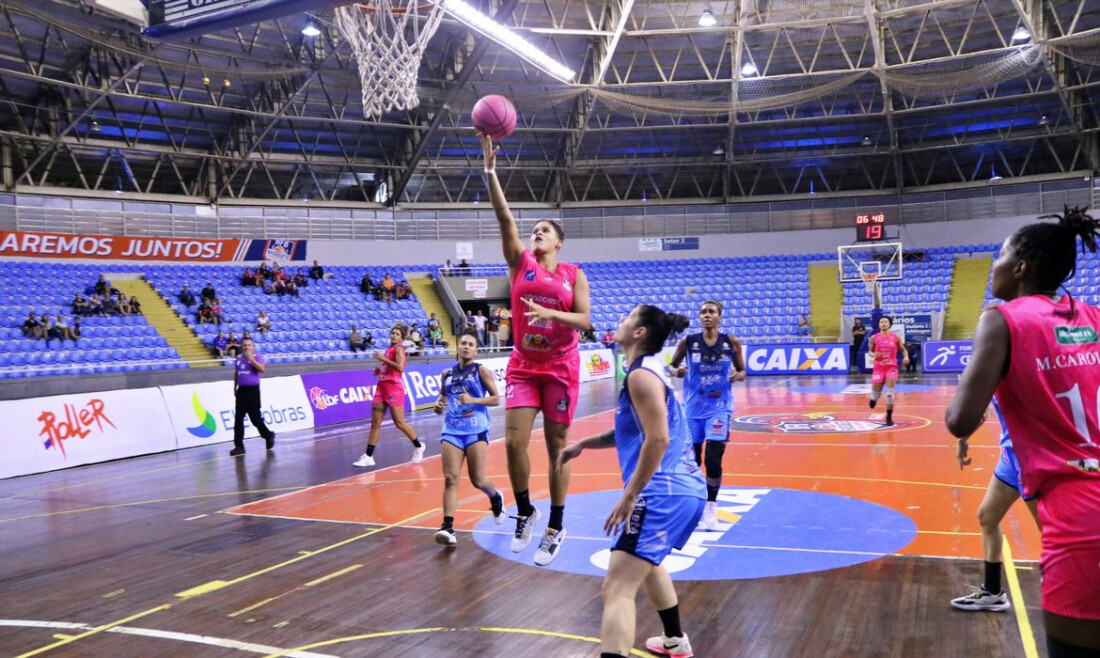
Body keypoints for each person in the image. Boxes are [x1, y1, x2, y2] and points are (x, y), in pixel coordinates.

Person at [946, 207, 1100, 657]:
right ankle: (993, 587)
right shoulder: (1091, 316)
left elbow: (959, 418)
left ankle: (997, 587)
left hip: (1078, 511)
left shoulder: (1001, 319)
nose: (993, 265)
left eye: (1000, 255)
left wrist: (970, 386)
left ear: (1020, 268)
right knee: (988, 515)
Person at [557, 304, 704, 658]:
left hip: (662, 490)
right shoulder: (646, 371)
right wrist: (584, 444)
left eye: (628, 318)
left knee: (617, 588)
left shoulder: (641, 377)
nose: (620, 320)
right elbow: (633, 431)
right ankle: (674, 639)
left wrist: (630, 495)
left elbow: (659, 439)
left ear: (639, 333)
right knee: (646, 562)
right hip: (683, 488)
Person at [481, 131, 592, 566]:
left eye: (544, 230)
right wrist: (491, 172)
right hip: (525, 365)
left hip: (561, 366)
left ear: (558, 241)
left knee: (557, 446)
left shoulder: (573, 274)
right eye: (534, 231)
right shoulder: (521, 263)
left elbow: (585, 320)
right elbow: (504, 218)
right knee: (513, 443)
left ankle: (556, 525)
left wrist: (552, 315)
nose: (536, 233)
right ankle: (525, 511)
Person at [951, 397, 1040, 613]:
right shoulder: (993, 377)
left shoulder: (1022, 376)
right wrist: (963, 438)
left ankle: (1085, 595)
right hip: (1010, 455)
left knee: (1053, 533)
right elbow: (981, 410)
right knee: (987, 517)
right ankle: (992, 592)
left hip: (1031, 456)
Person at [667, 300, 746, 530]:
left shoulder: (730, 342)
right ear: (699, 318)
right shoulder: (688, 342)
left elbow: (742, 370)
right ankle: (694, 502)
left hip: (719, 407)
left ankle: (711, 505)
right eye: (703, 312)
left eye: (711, 312)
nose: (706, 315)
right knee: (693, 461)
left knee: (713, 457)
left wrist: (739, 375)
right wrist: (677, 371)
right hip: (693, 409)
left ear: (720, 317)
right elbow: (671, 366)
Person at [432, 329, 506, 546]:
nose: (466, 347)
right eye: (463, 343)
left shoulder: (481, 371)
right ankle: (448, 527)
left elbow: (496, 399)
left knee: (478, 480)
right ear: (458, 347)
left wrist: (474, 400)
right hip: (452, 430)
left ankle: (495, 497)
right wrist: (439, 404)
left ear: (476, 350)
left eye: (470, 344)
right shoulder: (447, 374)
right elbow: (443, 396)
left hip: (475, 430)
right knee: (450, 478)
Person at [352, 324, 426, 468]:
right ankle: (368, 456)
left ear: (401, 337)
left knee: (399, 423)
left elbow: (400, 368)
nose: (394, 335)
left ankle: (418, 445)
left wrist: (383, 359)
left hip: (394, 388)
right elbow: (388, 368)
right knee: (375, 423)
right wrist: (379, 371)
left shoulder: (399, 349)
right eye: (392, 333)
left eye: (397, 334)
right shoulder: (388, 350)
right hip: (382, 387)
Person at [229, 336, 276, 457]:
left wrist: (251, 359)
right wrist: (235, 388)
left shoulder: (257, 357)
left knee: (255, 419)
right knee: (238, 419)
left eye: (249, 345)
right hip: (241, 391)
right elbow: (237, 373)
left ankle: (268, 435)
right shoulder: (239, 359)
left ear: (253, 346)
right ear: (241, 346)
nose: (247, 347)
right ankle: (239, 446)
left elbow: (262, 369)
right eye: (244, 345)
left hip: (253, 392)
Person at [868, 316, 909, 426]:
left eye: (885, 322)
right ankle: (873, 399)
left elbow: (903, 350)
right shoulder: (874, 338)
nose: (883, 323)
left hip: (891, 367)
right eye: (881, 322)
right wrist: (873, 354)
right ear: (879, 325)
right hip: (879, 368)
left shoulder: (896, 337)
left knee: (890, 393)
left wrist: (906, 357)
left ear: (890, 324)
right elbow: (870, 351)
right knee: (875, 395)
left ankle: (889, 417)